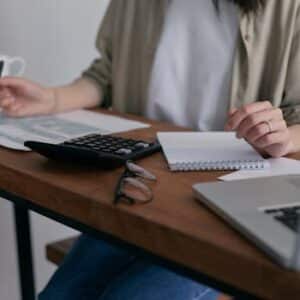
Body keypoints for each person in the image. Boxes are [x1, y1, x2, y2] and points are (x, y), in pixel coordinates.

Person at [1, 0, 300, 299]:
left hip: (233, 202)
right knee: (58, 295)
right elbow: (106, 75)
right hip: (142, 189)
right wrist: (51, 99)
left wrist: (284, 137)